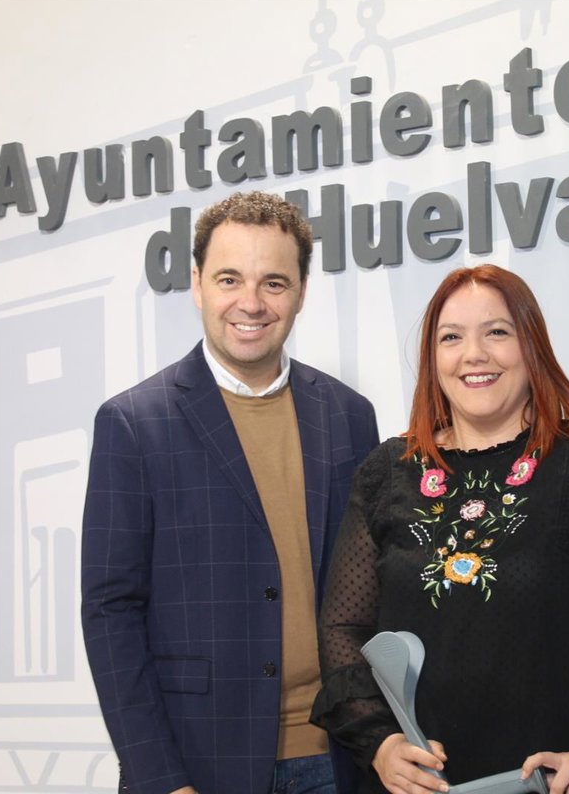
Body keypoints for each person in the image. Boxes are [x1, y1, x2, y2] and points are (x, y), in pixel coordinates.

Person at [312, 264, 569, 794]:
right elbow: (344, 628)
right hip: (419, 786)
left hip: (555, 781)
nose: (474, 354)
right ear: (433, 358)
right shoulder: (387, 472)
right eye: (451, 337)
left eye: (497, 332)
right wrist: (381, 745)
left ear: (531, 346)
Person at [81, 191, 379, 794]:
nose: (251, 302)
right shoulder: (133, 424)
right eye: (229, 279)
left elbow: (370, 597)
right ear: (196, 284)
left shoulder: (349, 415)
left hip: (339, 757)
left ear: (301, 291)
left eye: (274, 282)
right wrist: (160, 779)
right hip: (200, 763)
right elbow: (111, 612)